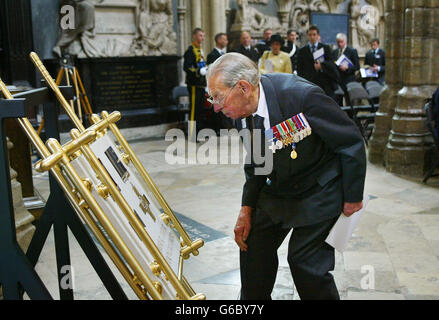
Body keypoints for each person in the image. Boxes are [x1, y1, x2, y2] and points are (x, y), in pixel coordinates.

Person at [206, 53, 366, 300]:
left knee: (304, 260)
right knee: (251, 243)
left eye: (218, 97)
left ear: (244, 88)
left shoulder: (301, 96)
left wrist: (353, 196)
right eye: (212, 97)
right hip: (282, 186)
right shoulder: (239, 113)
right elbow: (258, 161)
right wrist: (247, 208)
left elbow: (350, 142)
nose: (216, 106)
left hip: (319, 186)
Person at [297, 25, 340, 100]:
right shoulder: (302, 51)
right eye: (310, 35)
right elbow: (300, 69)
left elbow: (331, 64)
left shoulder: (325, 48)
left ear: (318, 36)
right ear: (307, 36)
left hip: (324, 83)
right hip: (309, 83)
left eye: (314, 34)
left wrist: (322, 66)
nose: (312, 37)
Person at [183, 28, 207, 139]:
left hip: (201, 84)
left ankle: (199, 132)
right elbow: (187, 67)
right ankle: (192, 133)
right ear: (194, 36)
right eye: (200, 35)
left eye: (203, 36)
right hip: (193, 84)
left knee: (200, 109)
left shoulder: (200, 50)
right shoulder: (190, 51)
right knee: (194, 109)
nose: (202, 38)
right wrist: (198, 71)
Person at [333, 33, 360, 105]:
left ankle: (350, 116)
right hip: (338, 81)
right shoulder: (335, 52)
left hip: (349, 80)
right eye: (338, 42)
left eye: (341, 42)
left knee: (349, 102)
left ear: (346, 41)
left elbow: (357, 66)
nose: (339, 44)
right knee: (338, 102)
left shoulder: (352, 51)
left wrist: (347, 68)